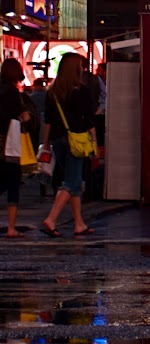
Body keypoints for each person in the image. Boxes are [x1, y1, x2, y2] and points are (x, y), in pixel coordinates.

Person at [40, 51, 96, 237]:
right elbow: (89, 119)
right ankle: (51, 219)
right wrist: (94, 141)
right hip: (76, 140)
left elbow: (48, 120)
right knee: (71, 181)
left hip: (57, 139)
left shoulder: (53, 92)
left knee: (74, 181)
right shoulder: (82, 90)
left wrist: (46, 143)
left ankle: (79, 223)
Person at [1, 57, 33, 238]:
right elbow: (21, 117)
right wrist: (25, 116)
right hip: (9, 144)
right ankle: (11, 228)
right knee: (12, 184)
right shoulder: (13, 93)